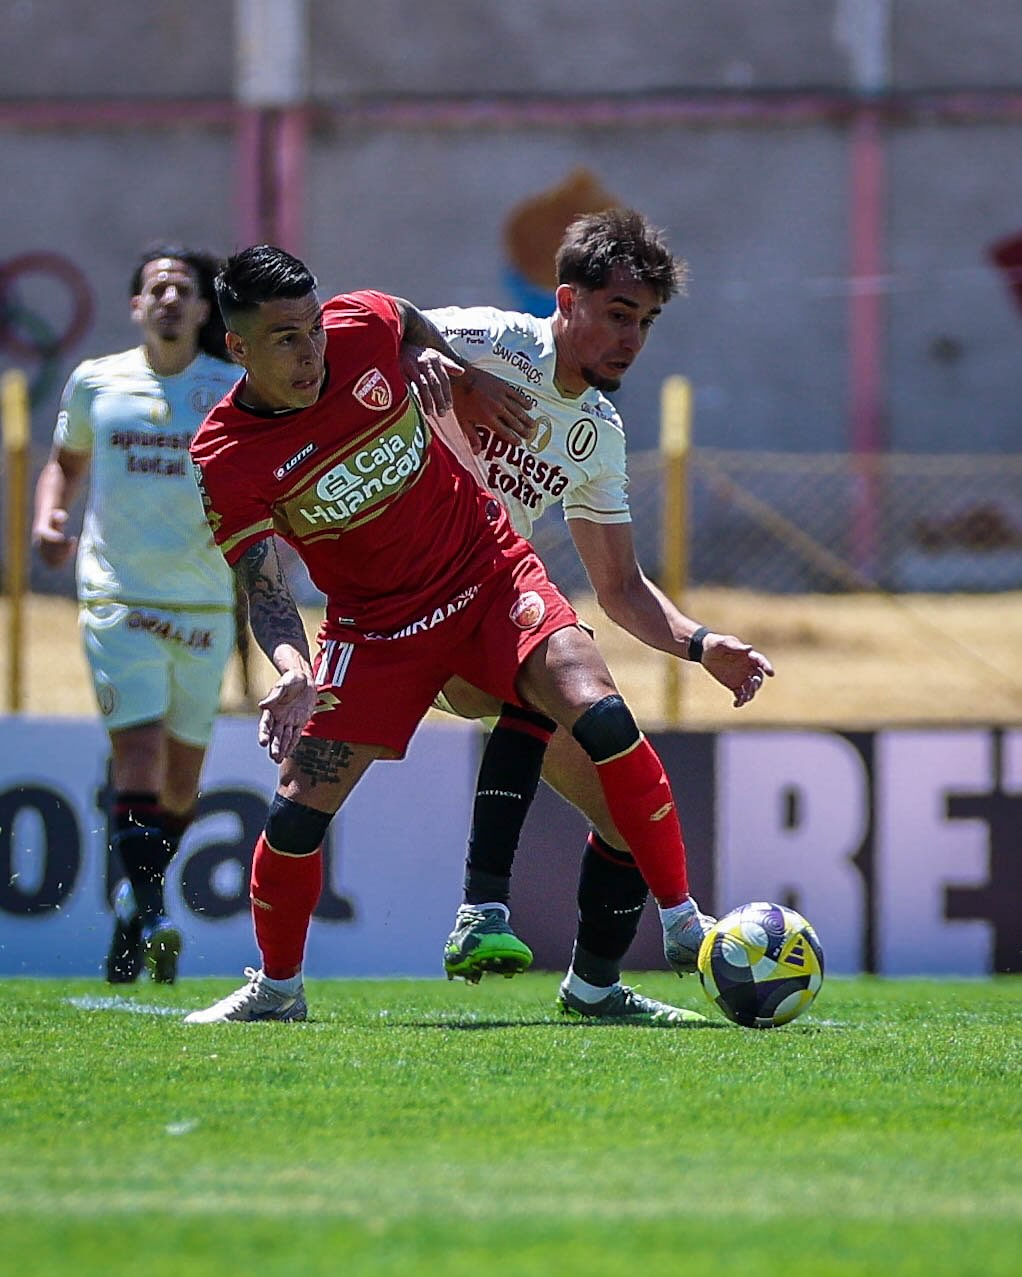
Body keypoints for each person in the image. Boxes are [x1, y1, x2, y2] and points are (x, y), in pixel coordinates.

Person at [183, 243, 722, 1024]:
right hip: (375, 628)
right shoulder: (224, 455)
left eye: (313, 328)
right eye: (286, 339)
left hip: (489, 572)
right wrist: (294, 666)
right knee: (296, 811)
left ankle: (681, 922)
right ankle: (277, 990)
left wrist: (451, 370)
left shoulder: (361, 324)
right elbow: (264, 590)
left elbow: (402, 317)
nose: (311, 352)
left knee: (600, 710)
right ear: (238, 347)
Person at [407, 208, 773, 1023]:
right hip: (410, 600)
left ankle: (594, 987)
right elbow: (374, 327)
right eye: (617, 314)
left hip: (492, 611)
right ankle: (471, 911)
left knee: (624, 807)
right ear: (566, 301)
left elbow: (622, 588)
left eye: (645, 321)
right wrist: (431, 363)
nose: (632, 339)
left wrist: (702, 643)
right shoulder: (492, 340)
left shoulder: (598, 432)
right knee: (535, 669)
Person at [32, 244, 241, 984]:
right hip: (117, 595)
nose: (169, 298)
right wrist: (50, 518)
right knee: (141, 757)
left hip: (203, 600)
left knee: (181, 786)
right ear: (136, 306)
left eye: (183, 288)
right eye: (156, 288)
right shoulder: (98, 381)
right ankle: (153, 913)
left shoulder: (230, 387)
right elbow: (66, 462)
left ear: (205, 307)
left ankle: (133, 903)